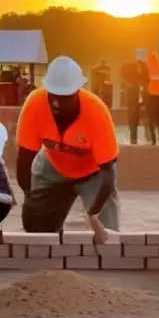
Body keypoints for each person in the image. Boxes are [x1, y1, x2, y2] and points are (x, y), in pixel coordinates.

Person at [17, 56, 119, 234]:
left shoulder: (96, 112)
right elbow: (24, 158)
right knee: (35, 228)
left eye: (65, 97)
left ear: (77, 91)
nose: (57, 102)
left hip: (93, 173)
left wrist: (94, 213)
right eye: (53, 95)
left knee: (106, 233)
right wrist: (29, 195)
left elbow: (108, 173)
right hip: (52, 165)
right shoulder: (34, 104)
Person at [119, 49, 149, 145]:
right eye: (139, 54)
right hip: (132, 93)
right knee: (132, 116)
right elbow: (123, 75)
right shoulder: (128, 66)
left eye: (143, 54)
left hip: (145, 93)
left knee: (147, 115)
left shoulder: (147, 66)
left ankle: (148, 137)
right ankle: (133, 138)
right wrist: (131, 82)